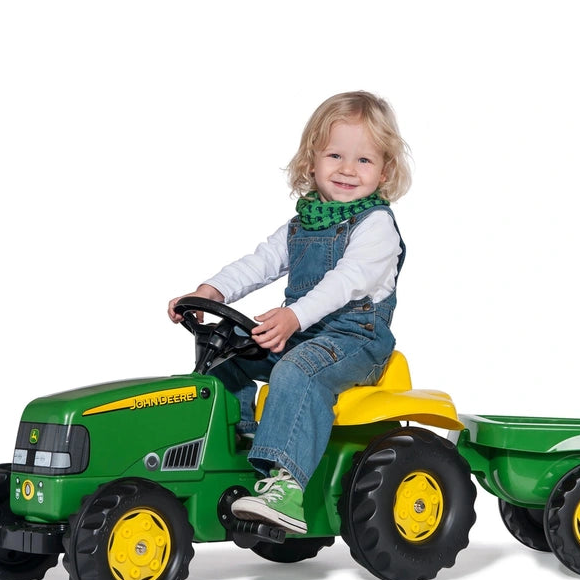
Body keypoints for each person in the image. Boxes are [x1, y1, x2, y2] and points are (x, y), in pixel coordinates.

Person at [167, 91, 410, 533]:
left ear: (385, 170)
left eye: (364, 160)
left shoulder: (376, 226)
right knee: (226, 354)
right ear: (311, 160)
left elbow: (345, 281)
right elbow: (261, 262)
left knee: (298, 369)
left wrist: (294, 317)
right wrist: (214, 289)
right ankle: (236, 439)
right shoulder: (303, 223)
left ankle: (287, 487)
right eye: (335, 154)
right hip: (305, 331)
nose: (347, 170)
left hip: (355, 340)